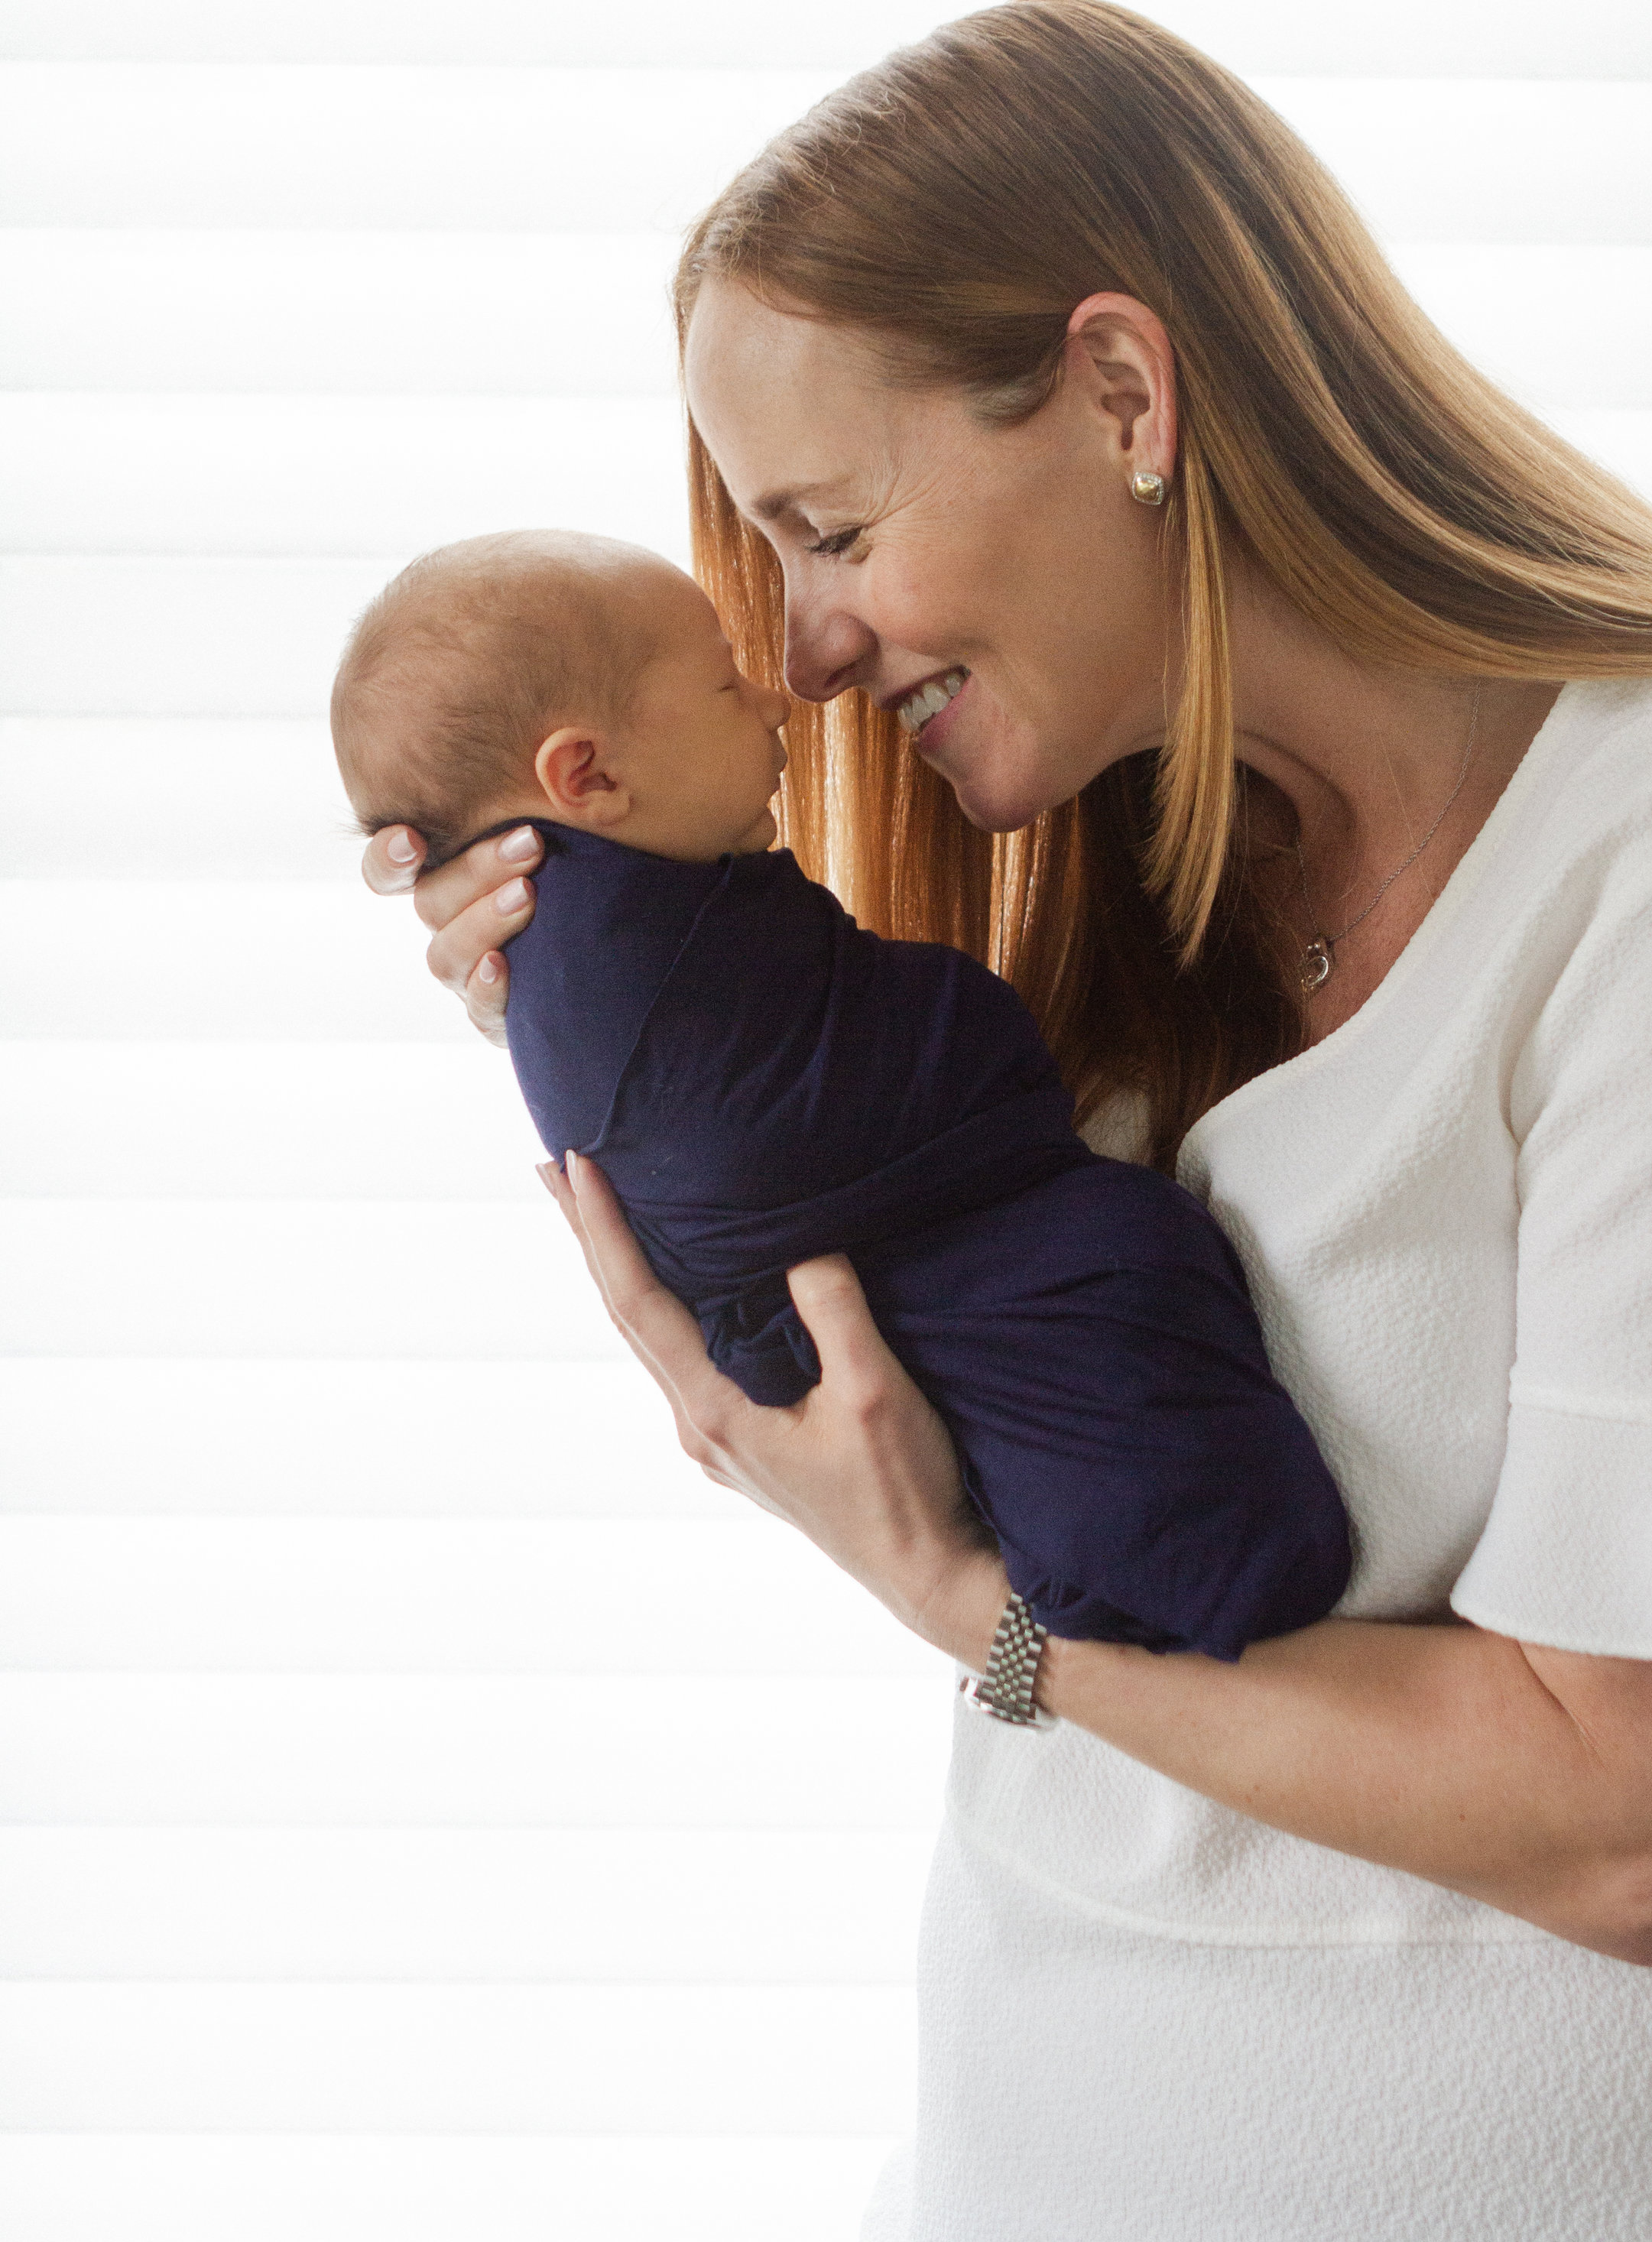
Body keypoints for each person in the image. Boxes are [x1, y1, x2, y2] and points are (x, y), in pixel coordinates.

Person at [362, 0, 1652, 2242]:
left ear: (1119, 390)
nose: (794, 655)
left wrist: (968, 1604)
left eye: (828, 527)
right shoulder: (1140, 893)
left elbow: (1632, 1826)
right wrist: (602, 976)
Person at [329, 529, 1350, 1655]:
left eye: (838, 529)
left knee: (1117, 1281)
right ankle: (1214, 1568)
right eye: (729, 682)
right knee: (1115, 1291)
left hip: (913, 1308)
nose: (784, 695)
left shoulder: (644, 922)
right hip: (876, 1296)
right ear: (588, 776)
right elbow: (808, 1115)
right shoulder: (597, 952)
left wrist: (953, 1595)